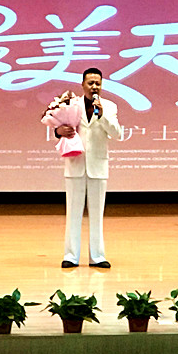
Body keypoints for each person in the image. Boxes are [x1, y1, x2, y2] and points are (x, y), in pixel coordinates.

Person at [54, 67, 122, 269]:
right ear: (82, 84)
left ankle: (97, 256)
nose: (94, 87)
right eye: (90, 83)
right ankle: (71, 256)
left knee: (97, 213)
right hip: (75, 163)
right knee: (73, 212)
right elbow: (59, 128)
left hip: (98, 165)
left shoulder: (109, 106)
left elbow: (117, 133)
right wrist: (58, 131)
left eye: (97, 83)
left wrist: (102, 115)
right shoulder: (71, 105)